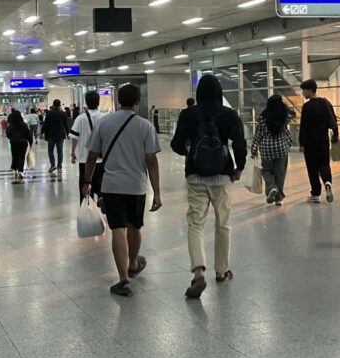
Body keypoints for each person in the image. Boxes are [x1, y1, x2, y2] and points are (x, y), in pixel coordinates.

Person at [170, 74, 246, 300]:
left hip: (195, 175)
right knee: (223, 223)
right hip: (222, 175)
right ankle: (221, 271)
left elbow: (176, 144)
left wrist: (189, 151)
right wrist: (239, 166)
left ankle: (198, 271)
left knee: (195, 223)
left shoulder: (188, 114)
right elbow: (239, 141)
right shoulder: (229, 114)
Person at [84, 84, 161, 297]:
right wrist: (157, 192)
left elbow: (92, 156)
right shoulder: (145, 126)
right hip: (136, 186)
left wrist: (86, 181)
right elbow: (151, 161)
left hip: (111, 185)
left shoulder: (104, 123)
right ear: (138, 101)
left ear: (118, 101)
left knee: (118, 229)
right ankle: (133, 264)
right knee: (134, 227)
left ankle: (124, 280)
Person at [299, 79, 339, 204]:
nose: (303, 93)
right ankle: (327, 182)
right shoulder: (325, 103)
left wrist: (302, 143)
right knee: (324, 164)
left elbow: (304, 126)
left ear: (310, 90)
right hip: (323, 140)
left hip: (310, 142)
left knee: (312, 168)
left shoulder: (307, 106)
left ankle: (315, 194)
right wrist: (336, 134)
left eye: (304, 90)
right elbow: (333, 120)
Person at [252, 95, 293, 206]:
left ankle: (272, 187)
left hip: (266, 149)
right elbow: (292, 113)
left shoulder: (263, 117)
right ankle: (279, 198)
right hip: (281, 148)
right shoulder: (284, 116)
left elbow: (258, 134)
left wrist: (254, 147)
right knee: (280, 173)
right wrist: (284, 105)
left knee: (266, 171)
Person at [70, 90, 107, 202]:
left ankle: (87, 208)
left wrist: (73, 153)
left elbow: (74, 137)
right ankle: (101, 203)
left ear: (86, 102)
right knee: (100, 186)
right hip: (101, 159)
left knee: (85, 187)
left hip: (84, 160)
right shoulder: (104, 118)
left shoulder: (80, 118)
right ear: (98, 102)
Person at [42, 99, 71, 173]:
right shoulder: (63, 114)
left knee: (50, 150)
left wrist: (42, 132)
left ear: (53, 105)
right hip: (60, 135)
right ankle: (59, 167)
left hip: (51, 135)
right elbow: (66, 125)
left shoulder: (49, 113)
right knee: (60, 151)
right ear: (60, 105)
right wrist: (68, 134)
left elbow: (45, 124)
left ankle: (52, 165)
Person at [6, 109, 33, 183]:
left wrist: (11, 138)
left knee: (14, 156)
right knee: (21, 156)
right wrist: (31, 142)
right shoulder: (23, 124)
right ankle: (20, 171)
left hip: (13, 142)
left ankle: (14, 170)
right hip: (23, 143)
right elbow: (28, 134)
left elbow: (8, 134)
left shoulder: (11, 125)